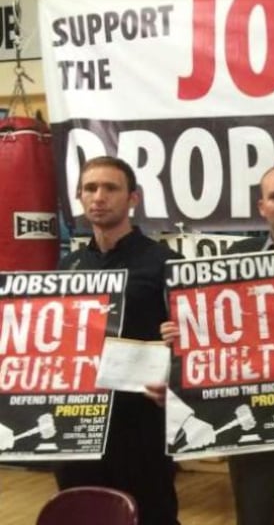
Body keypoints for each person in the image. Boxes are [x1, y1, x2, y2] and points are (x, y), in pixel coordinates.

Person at [156, 166, 274, 525]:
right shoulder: (238, 256)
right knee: (253, 514)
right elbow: (216, 324)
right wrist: (183, 329)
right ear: (262, 206)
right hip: (249, 412)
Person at [56, 156, 181, 525]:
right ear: (79, 196)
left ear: (133, 198)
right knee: (82, 514)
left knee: (152, 515)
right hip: (78, 420)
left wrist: (174, 377)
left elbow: (193, 342)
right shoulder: (69, 267)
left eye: (110, 188)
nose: (99, 196)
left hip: (140, 424)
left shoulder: (163, 262)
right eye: (90, 188)